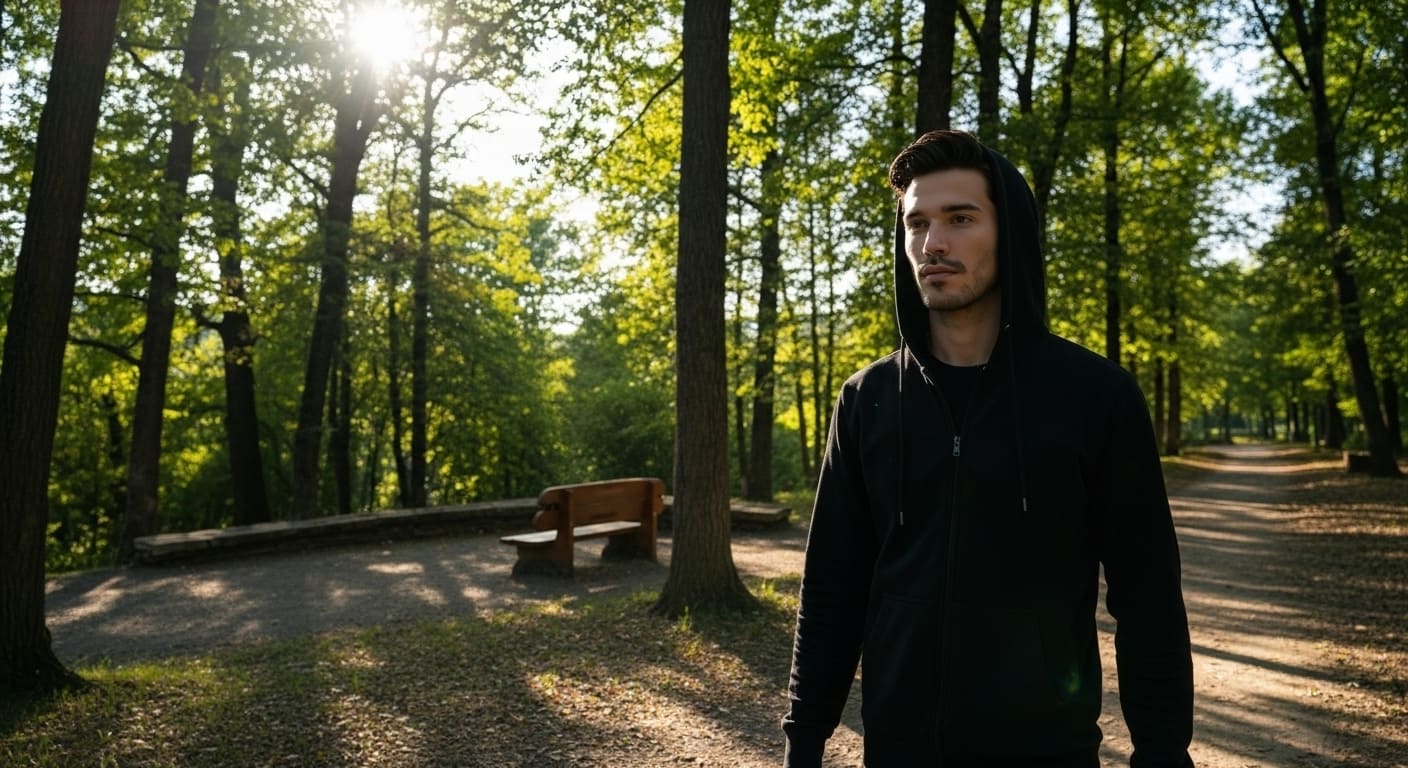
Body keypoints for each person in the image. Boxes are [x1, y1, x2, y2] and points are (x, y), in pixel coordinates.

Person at [782, 130, 1194, 767]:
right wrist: (804, 742)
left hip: (1047, 754)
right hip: (898, 752)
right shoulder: (867, 400)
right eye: (917, 222)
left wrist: (1163, 755)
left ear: (1010, 234)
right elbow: (833, 586)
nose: (933, 243)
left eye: (960, 218)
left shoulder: (1095, 396)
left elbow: (1148, 599)